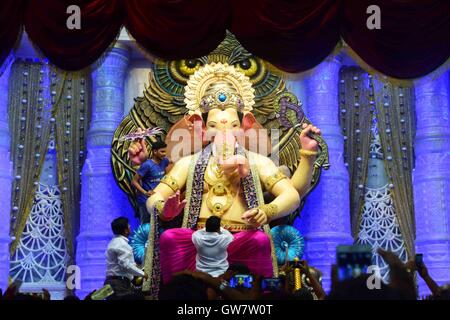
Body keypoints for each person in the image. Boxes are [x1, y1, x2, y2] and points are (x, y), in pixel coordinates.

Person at [104, 217, 148, 299]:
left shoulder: (112, 242)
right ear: (125, 230)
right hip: (119, 284)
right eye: (128, 225)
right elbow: (126, 265)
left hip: (110, 282)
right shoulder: (122, 244)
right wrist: (143, 274)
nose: (130, 226)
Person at [131, 139, 170, 223]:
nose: (164, 154)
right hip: (145, 200)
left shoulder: (165, 161)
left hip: (158, 199)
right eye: (162, 152)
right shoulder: (147, 165)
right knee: (146, 227)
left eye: (165, 152)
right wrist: (145, 192)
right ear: (155, 151)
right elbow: (134, 181)